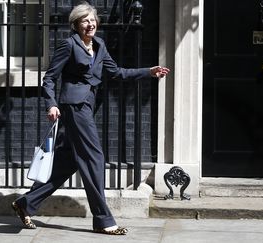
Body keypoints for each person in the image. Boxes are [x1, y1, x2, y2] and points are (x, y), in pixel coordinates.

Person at [11, 2, 169, 235]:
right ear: (76, 24)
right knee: (95, 157)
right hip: (74, 107)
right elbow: (50, 78)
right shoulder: (69, 45)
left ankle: (26, 203)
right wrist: (51, 104)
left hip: (86, 107)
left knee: (69, 162)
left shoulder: (99, 45)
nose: (90, 23)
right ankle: (104, 220)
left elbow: (116, 73)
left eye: (92, 19)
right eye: (84, 20)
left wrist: (148, 71)